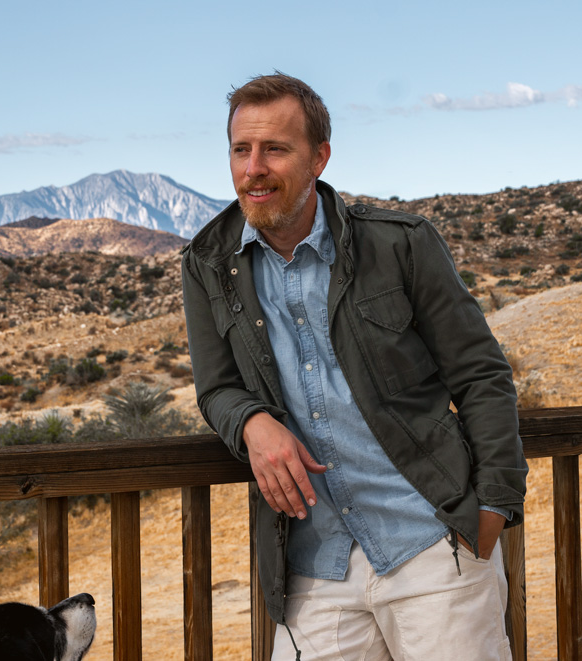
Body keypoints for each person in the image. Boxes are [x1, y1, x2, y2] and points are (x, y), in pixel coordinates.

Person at [181, 72, 528, 660]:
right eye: (241, 149)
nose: (254, 167)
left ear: (319, 157)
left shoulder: (401, 244)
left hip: (431, 547)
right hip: (314, 570)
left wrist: (493, 505)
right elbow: (216, 387)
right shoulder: (207, 263)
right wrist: (251, 422)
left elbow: (480, 374)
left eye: (275, 149)